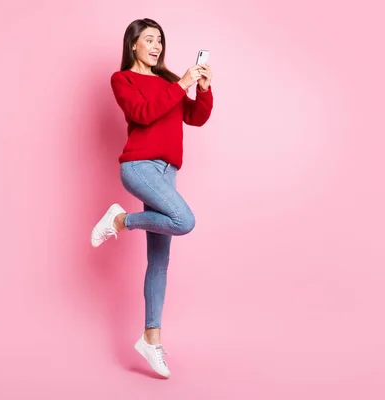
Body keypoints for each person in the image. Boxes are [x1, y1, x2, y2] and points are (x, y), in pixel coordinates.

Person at [90, 18, 213, 378]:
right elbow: (142, 114)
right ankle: (119, 220)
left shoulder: (169, 81)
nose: (156, 45)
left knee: (159, 262)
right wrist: (181, 85)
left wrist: (201, 89)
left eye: (160, 39)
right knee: (184, 221)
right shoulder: (122, 79)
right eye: (149, 39)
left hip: (167, 173)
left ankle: (150, 338)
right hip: (139, 167)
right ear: (133, 45)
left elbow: (195, 117)